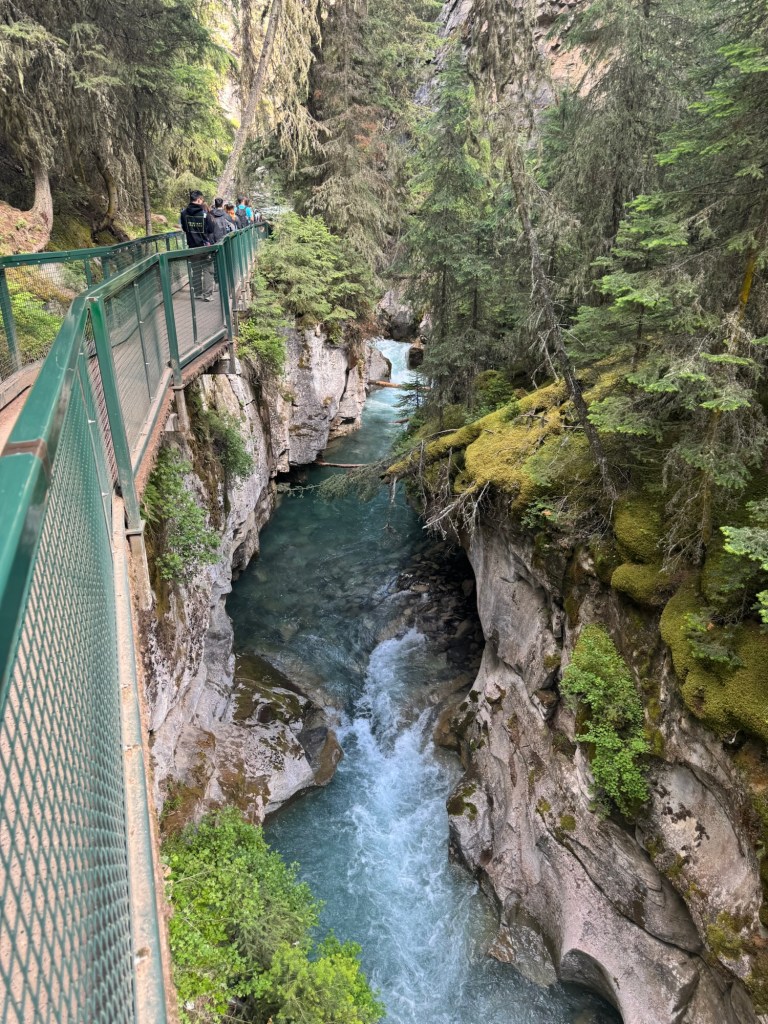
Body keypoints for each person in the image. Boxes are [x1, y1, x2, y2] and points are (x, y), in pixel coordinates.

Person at [180, 190, 215, 300]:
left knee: (196, 270)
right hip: (204, 247)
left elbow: (184, 228)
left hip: (192, 247)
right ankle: (207, 295)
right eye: (202, 200)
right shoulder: (204, 214)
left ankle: (197, 292)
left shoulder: (183, 213)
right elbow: (211, 229)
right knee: (208, 269)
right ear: (199, 200)